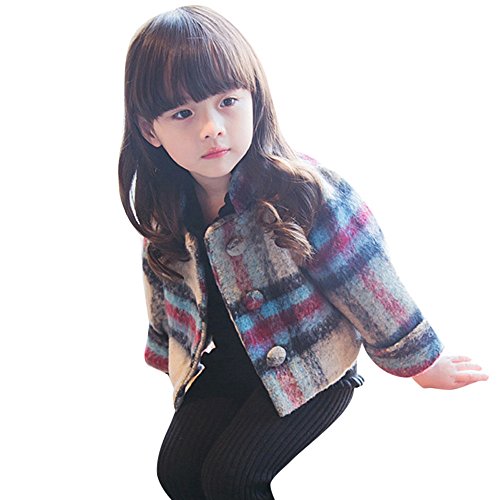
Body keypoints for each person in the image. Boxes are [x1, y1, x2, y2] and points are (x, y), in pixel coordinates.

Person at [118, 5, 488, 499]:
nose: (211, 127)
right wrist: (166, 352)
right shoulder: (166, 209)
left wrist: (420, 362)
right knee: (177, 472)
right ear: (150, 130)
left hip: (312, 363)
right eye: (183, 114)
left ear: (255, 99)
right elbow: (165, 287)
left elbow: (366, 277)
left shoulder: (302, 192)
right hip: (230, 364)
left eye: (227, 101)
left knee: (232, 478)